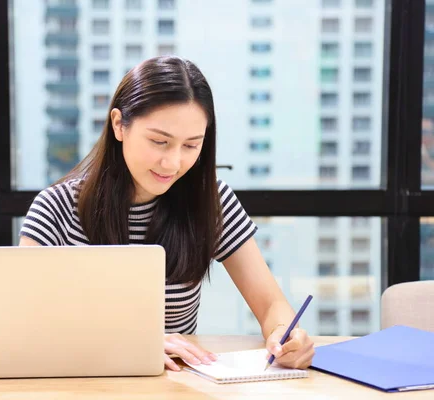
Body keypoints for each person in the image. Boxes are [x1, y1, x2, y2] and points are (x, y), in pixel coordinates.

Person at [19, 56, 315, 371]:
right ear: (119, 125)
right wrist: (132, 343)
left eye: (190, 146)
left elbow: (271, 304)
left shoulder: (210, 200)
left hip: (175, 386)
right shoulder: (55, 208)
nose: (172, 164)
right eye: (159, 142)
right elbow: (24, 324)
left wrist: (285, 333)